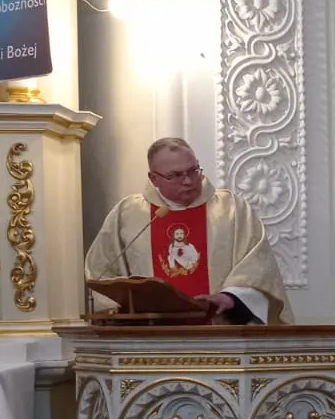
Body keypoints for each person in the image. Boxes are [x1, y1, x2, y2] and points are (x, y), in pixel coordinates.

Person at [85, 137, 292, 323]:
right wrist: (115, 310)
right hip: (149, 336)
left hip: (220, 332)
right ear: (153, 178)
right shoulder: (128, 214)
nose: (188, 181)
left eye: (193, 170)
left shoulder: (232, 209)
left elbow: (257, 265)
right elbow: (101, 271)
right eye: (175, 175)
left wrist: (231, 297)